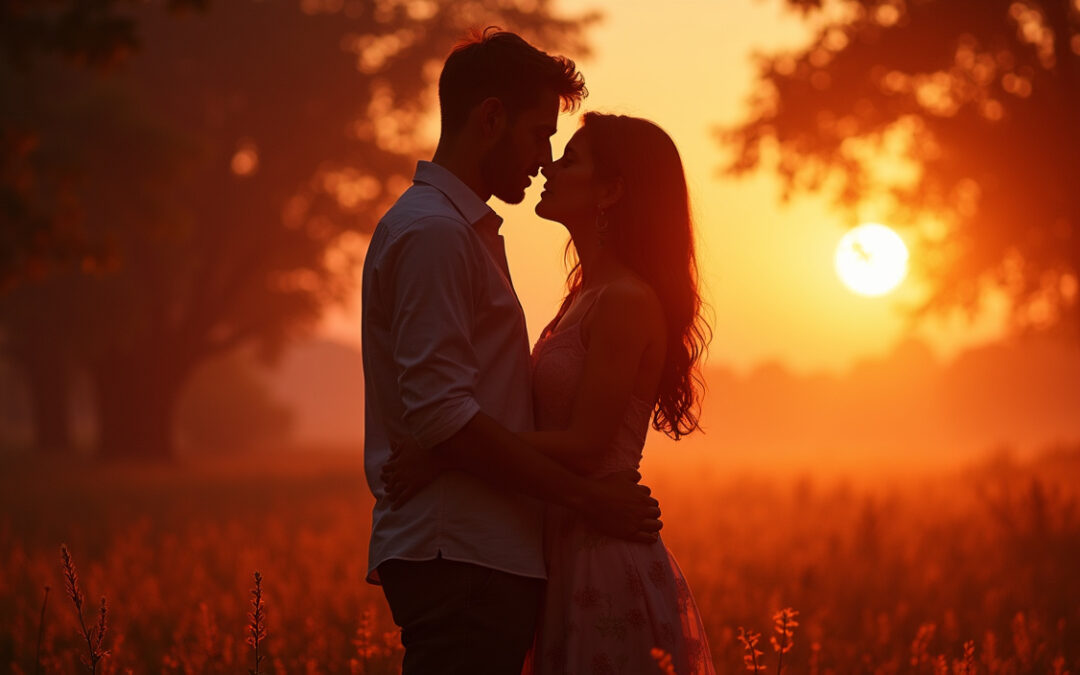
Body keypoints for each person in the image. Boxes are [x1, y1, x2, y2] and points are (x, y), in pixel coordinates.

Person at [361, 29, 662, 675]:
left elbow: (458, 420)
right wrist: (589, 499)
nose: (544, 159)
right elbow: (443, 417)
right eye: (539, 134)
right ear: (491, 118)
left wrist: (446, 453)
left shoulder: (460, 233)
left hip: (481, 552)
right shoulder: (437, 233)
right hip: (460, 549)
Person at [385, 112, 716, 673]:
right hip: (561, 546)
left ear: (610, 192)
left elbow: (587, 445)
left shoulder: (626, 301)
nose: (548, 167)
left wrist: (449, 452)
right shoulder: (584, 297)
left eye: (571, 160)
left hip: (603, 554)